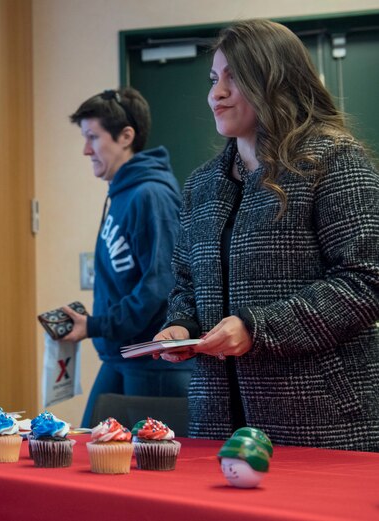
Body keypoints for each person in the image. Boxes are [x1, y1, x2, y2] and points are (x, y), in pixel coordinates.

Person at [155, 19, 379, 451]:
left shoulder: (334, 160)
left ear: (274, 80)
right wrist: (181, 327)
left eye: (233, 79)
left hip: (321, 423)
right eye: (213, 78)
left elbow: (365, 281)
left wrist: (257, 329)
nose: (215, 93)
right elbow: (186, 284)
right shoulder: (202, 185)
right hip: (217, 424)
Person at [59, 87, 194, 428]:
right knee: (91, 445)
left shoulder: (152, 195)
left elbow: (161, 286)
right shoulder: (123, 194)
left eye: (93, 137)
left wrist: (96, 325)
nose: (86, 149)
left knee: (146, 470)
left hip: (152, 363)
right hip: (122, 355)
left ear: (126, 136)